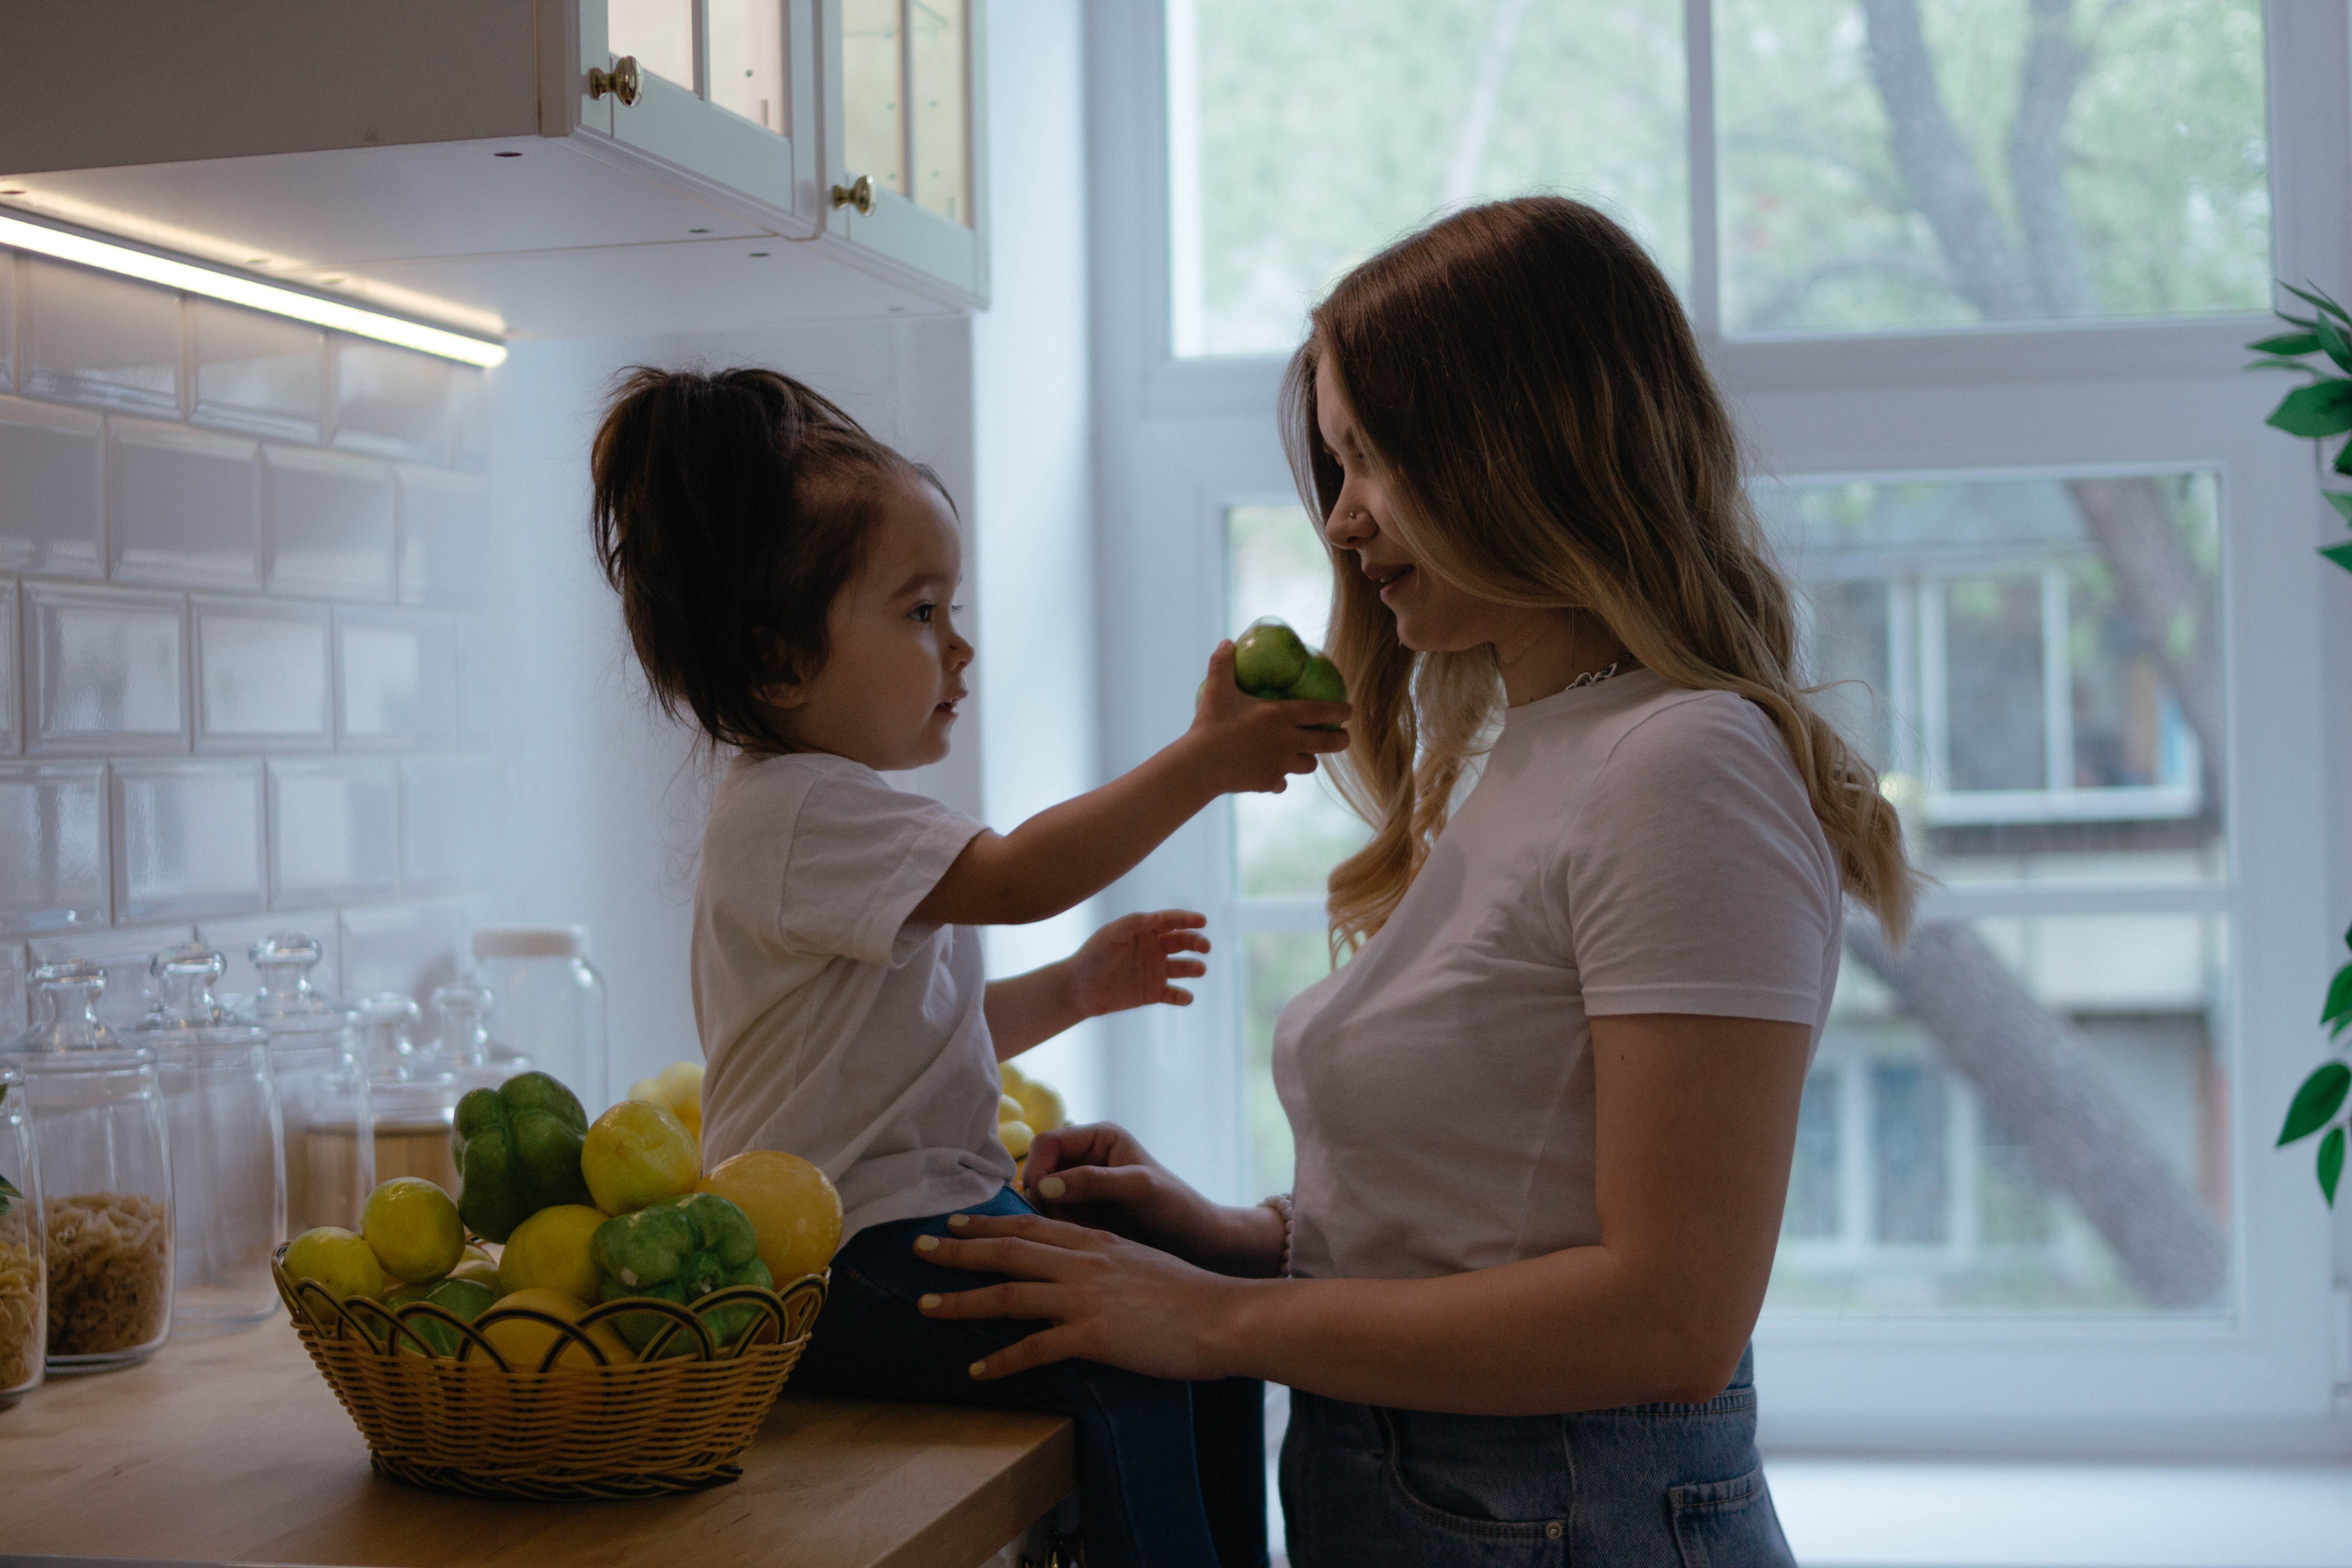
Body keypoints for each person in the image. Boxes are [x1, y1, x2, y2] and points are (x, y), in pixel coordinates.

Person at [908, 196, 1921, 1566]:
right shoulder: (1543, 752)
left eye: (1372, 458)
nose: (1340, 520)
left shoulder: (1681, 766)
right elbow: (1492, 1217)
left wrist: (1209, 1324)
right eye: (1336, 464)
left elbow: (1674, 1316)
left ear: (1519, 439)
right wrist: (1223, 1238)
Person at [589, 367, 1350, 1568]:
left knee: (1200, 1333)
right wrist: (1203, 761)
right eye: (920, 611)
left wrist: (1075, 992)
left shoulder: (830, 809)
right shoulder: (796, 810)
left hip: (913, 1225)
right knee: (1133, 1365)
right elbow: (1016, 877)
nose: (962, 645)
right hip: (839, 1263)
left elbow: (914, 1035)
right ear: (780, 662)